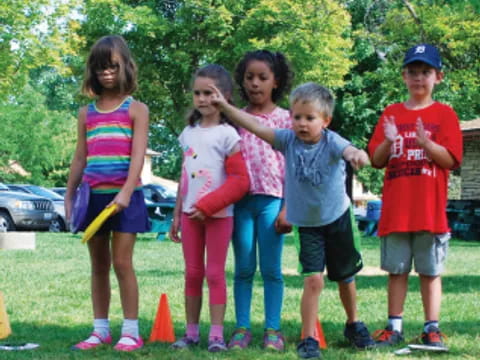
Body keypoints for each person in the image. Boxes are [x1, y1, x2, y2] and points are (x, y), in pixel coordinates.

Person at [210, 82, 375, 359]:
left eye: (309, 118)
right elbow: (254, 125)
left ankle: (353, 324)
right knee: (313, 281)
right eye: (297, 117)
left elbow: (352, 152)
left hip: (337, 219)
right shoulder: (287, 141)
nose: (301, 123)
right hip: (308, 225)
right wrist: (225, 106)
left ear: (325, 120)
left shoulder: (332, 141)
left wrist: (359, 156)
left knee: (345, 277)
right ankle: (307, 339)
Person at [368, 44, 463, 348]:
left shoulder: (445, 114)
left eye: (426, 72)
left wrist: (427, 144)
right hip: (397, 210)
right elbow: (377, 159)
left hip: (429, 211)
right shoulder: (392, 112)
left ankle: (431, 328)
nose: (419, 78)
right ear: (404, 76)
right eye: (413, 72)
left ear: (439, 76)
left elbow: (450, 160)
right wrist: (389, 140)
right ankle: (393, 326)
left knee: (429, 271)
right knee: (396, 270)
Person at [65, 35, 150, 352]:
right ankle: (100, 330)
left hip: (126, 198)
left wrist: (126, 192)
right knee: (98, 266)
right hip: (94, 198)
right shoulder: (86, 113)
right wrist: (70, 196)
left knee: (122, 263)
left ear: (125, 66)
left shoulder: (136, 109)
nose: (107, 73)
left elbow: (138, 157)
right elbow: (79, 158)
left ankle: (131, 331)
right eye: (101, 67)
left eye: (112, 66)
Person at [169, 64, 249, 353]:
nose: (202, 99)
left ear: (224, 95)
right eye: (197, 93)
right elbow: (184, 175)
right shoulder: (187, 134)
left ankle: (216, 335)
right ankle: (191, 333)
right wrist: (178, 213)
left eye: (208, 93)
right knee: (192, 273)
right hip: (191, 217)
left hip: (219, 217)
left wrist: (210, 205)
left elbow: (240, 180)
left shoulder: (229, 135)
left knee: (214, 273)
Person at [227, 50, 293, 351]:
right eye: (249, 77)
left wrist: (287, 208)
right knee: (243, 269)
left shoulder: (286, 120)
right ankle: (241, 328)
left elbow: (295, 168)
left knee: (271, 270)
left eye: (262, 78)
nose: (255, 83)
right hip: (240, 205)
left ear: (275, 82)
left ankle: (273, 330)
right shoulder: (234, 120)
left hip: (272, 203)